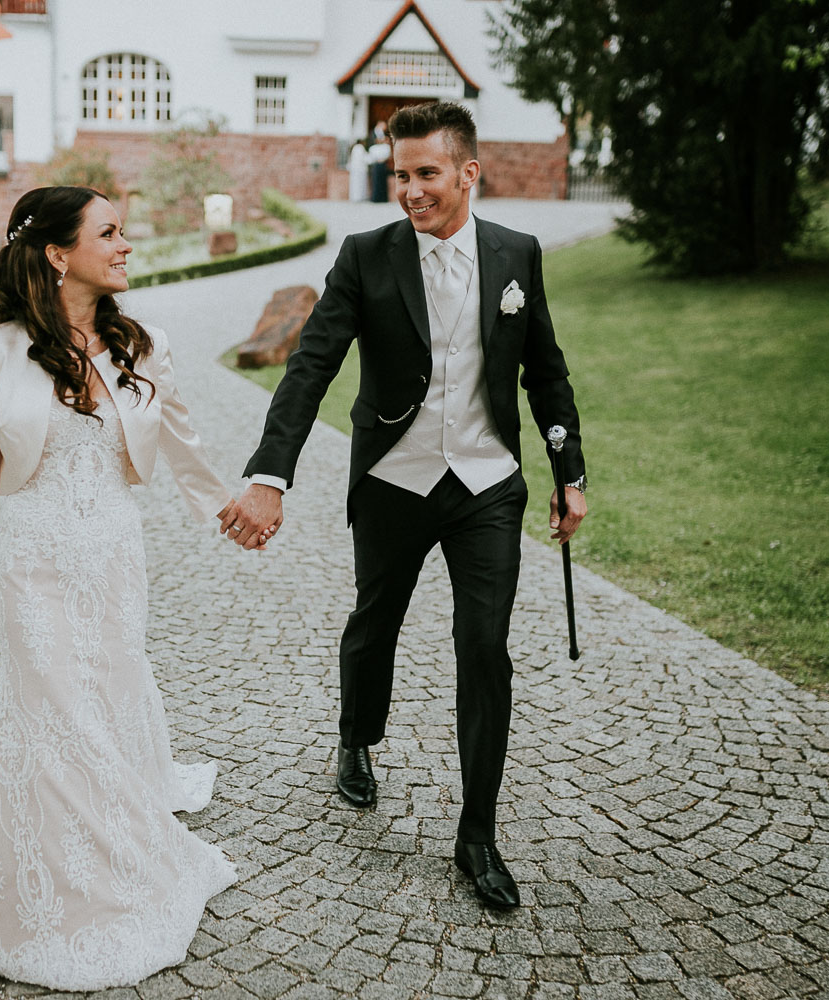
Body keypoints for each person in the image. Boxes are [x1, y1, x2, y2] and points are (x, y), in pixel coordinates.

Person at [0, 186, 265, 990]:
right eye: (110, 233)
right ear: (60, 254)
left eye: (124, 231)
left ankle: (112, 848)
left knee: (106, 693)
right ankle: (58, 883)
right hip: (30, 558)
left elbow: (183, 437)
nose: (127, 245)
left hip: (113, 556)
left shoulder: (143, 342)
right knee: (52, 705)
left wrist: (228, 507)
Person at [220, 102, 587, 909]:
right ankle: (357, 739)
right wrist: (268, 475)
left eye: (426, 173)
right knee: (374, 619)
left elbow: (546, 373)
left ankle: (477, 834)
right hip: (395, 477)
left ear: (467, 172)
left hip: (487, 486)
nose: (410, 190)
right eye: (399, 173)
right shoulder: (366, 256)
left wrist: (571, 474)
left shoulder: (516, 253)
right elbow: (310, 366)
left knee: (484, 648)